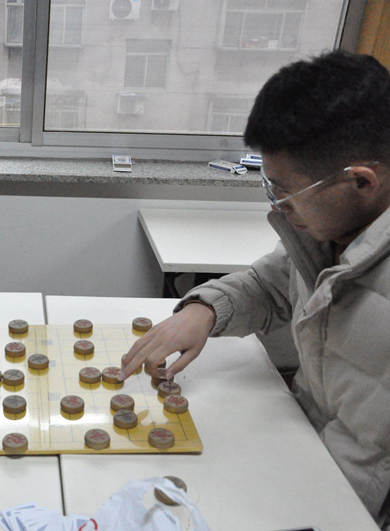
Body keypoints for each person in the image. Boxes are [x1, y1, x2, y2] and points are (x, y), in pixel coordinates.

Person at [121, 50, 390, 528]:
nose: (278, 207)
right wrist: (204, 310)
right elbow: (271, 284)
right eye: (271, 188)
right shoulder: (333, 229)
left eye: (286, 192)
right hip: (304, 454)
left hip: (354, 506)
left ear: (362, 182)